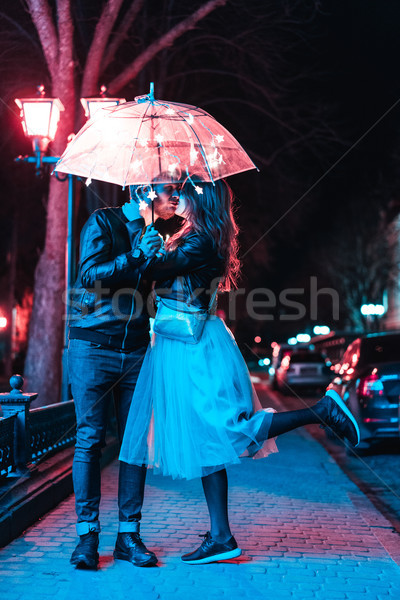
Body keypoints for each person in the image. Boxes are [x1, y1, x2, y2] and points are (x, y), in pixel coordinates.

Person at [119, 178, 360, 565]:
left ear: (204, 201)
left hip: (193, 350)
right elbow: (163, 272)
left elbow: (154, 268)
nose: (177, 196)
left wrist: (142, 220)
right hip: (187, 345)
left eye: (187, 193)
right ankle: (221, 537)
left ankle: (324, 412)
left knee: (229, 428)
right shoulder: (196, 235)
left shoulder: (198, 241)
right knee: (207, 439)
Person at [68, 179, 182, 569]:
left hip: (135, 349)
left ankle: (128, 536)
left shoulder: (156, 235)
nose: (176, 197)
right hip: (93, 346)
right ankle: (87, 537)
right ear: (143, 192)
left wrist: (167, 260)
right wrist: (136, 256)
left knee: (134, 444)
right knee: (90, 440)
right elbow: (90, 276)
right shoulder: (102, 222)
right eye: (169, 190)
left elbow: (153, 291)